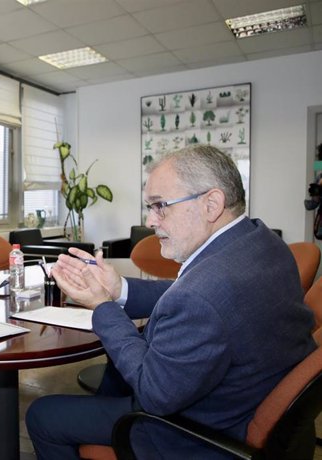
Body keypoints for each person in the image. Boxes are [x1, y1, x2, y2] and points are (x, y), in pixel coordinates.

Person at [26, 145, 316, 459]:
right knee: (117, 367)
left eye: (160, 205)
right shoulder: (263, 242)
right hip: (249, 401)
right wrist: (117, 288)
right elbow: (194, 293)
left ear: (211, 204)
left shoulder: (202, 295)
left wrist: (102, 305)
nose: (150, 220)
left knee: (42, 414)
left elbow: (154, 395)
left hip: (197, 434)